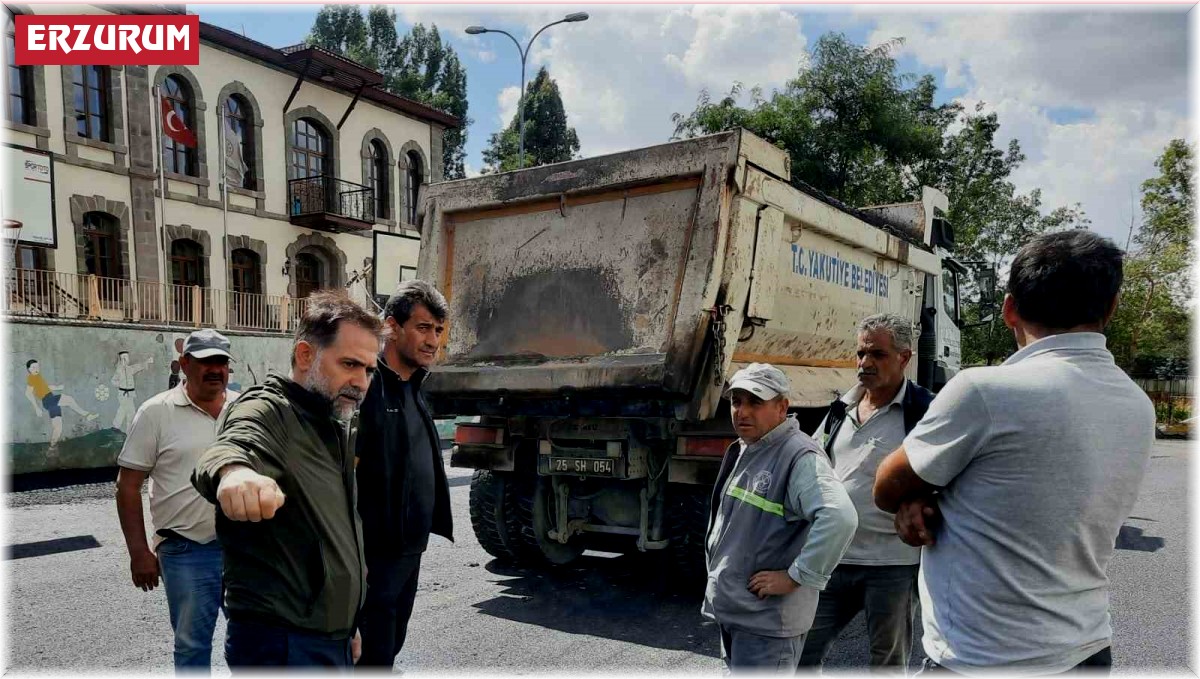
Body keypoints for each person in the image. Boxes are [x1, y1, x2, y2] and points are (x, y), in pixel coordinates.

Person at [874, 230, 1155, 675]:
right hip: (1085, 648)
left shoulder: (984, 391)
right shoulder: (1138, 405)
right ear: (1112, 307)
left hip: (981, 657)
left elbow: (887, 486)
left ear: (1009, 309)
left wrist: (917, 497)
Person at [192, 291, 382, 670]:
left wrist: (347, 624)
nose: (361, 382)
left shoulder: (334, 420)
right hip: (283, 644)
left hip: (328, 636)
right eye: (349, 364)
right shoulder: (269, 408)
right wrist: (236, 475)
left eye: (369, 370)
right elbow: (233, 444)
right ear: (305, 355)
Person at [798, 313, 934, 673]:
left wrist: (925, 505)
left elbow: (952, 478)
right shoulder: (840, 410)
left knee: (886, 665)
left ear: (904, 358)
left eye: (877, 354)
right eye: (860, 354)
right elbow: (812, 466)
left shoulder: (925, 412)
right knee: (800, 653)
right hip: (834, 559)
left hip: (892, 565)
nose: (865, 363)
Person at [703, 362, 858, 673]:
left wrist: (796, 576)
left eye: (755, 402)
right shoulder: (751, 447)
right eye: (736, 401)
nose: (742, 412)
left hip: (767, 626)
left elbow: (840, 517)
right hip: (740, 614)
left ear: (782, 406)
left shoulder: (797, 455)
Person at [115, 329, 237, 671]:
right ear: (185, 363)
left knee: (251, 639)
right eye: (204, 361)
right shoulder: (156, 412)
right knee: (192, 647)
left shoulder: (243, 409)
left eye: (221, 362)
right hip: (186, 549)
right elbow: (127, 486)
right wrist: (139, 552)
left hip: (245, 548)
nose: (214, 369)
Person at [356, 280, 454, 670]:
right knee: (369, 655)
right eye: (423, 327)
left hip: (410, 549)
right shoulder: (367, 388)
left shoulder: (415, 387)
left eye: (437, 330)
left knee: (390, 644)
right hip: (372, 554)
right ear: (392, 327)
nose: (432, 340)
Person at [24, 359, 97, 450]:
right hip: (48, 400)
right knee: (69, 399)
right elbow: (28, 393)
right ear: (28, 369)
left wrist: (57, 387)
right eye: (33, 367)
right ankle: (87, 415)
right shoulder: (31, 378)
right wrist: (36, 408)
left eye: (37, 367)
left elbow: (46, 387)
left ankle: (52, 447)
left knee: (58, 427)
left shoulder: (38, 377)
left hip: (50, 401)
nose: (36, 369)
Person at [112, 350, 154, 432]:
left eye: (127, 358)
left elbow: (138, 367)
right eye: (124, 358)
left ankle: (116, 426)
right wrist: (120, 384)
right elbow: (113, 381)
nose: (126, 360)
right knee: (131, 411)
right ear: (121, 359)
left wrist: (147, 362)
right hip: (123, 393)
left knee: (123, 410)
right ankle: (129, 429)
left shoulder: (130, 369)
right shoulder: (119, 370)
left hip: (130, 393)